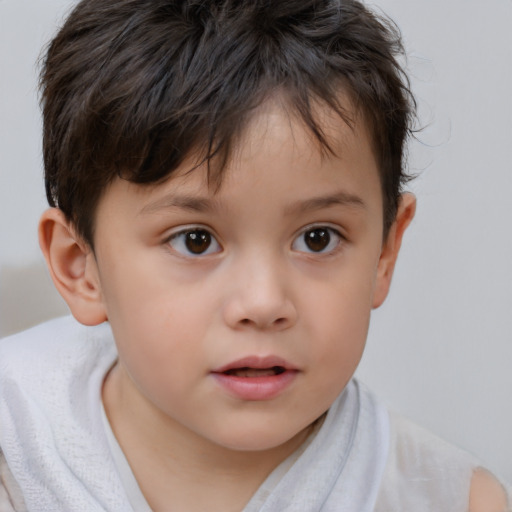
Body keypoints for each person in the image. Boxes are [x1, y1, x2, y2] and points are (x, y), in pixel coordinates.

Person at [0, 0, 509, 510]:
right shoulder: (15, 455)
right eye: (195, 240)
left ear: (384, 251)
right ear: (80, 267)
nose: (264, 303)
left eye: (318, 238)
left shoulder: (450, 500)